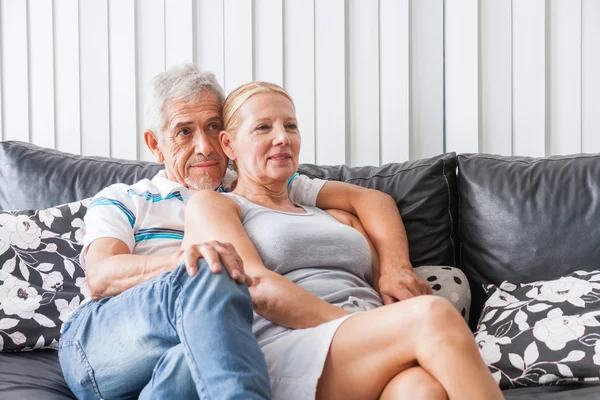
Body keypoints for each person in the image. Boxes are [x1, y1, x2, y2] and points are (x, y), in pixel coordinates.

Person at [58, 63, 469, 399]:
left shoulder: (257, 186)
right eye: (184, 131)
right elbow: (102, 276)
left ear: (228, 138)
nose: (204, 147)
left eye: (212, 128)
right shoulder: (128, 198)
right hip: (110, 337)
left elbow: (370, 200)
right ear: (155, 144)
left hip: (195, 343)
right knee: (216, 274)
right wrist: (192, 259)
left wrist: (393, 266)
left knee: (198, 360)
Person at [181, 81, 502, 400]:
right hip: (291, 347)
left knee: (420, 389)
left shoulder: (335, 215)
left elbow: (382, 283)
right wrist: (367, 324)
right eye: (263, 127)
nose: (282, 137)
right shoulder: (217, 206)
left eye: (290, 125)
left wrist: (390, 286)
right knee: (433, 314)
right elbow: (258, 289)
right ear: (228, 144)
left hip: (365, 344)